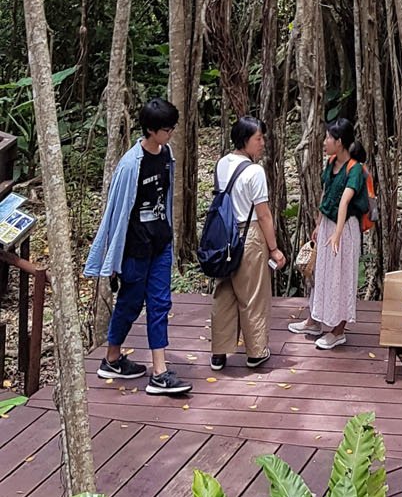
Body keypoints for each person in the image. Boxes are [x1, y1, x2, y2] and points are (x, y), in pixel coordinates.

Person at [85, 97, 193, 397]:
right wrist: (112, 258)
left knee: (159, 305)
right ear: (151, 129)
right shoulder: (130, 165)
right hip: (135, 249)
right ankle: (112, 358)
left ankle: (159, 372)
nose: (171, 133)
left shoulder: (166, 154)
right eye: (167, 129)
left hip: (160, 245)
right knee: (130, 305)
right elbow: (116, 214)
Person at [209, 116, 286, 371]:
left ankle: (219, 352)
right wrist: (274, 248)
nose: (262, 143)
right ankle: (255, 351)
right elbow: (263, 214)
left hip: (224, 235)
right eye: (258, 138)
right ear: (245, 140)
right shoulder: (255, 171)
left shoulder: (221, 164)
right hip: (249, 235)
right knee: (253, 294)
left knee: (225, 292)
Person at [288, 117, 366, 349]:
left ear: (339, 142)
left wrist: (337, 234)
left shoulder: (356, 169)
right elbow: (326, 194)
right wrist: (320, 224)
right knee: (322, 273)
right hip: (328, 226)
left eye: (328, 138)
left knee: (341, 277)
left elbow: (344, 202)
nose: (324, 142)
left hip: (345, 229)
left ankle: (338, 330)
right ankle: (314, 321)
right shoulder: (331, 163)